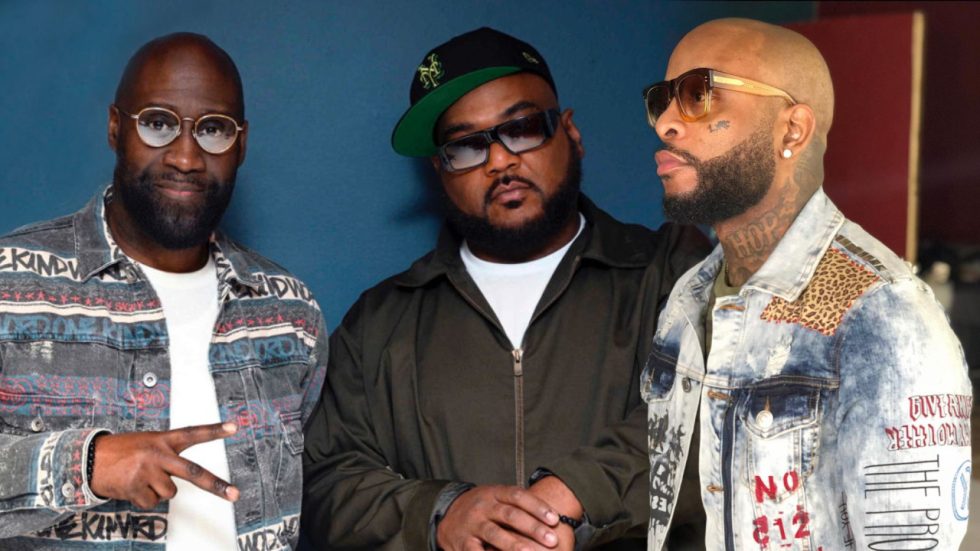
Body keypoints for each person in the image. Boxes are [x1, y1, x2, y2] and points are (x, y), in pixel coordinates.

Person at [302, 27, 709, 551]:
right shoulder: (380, 323)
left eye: (522, 129)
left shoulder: (672, 273)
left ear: (570, 133)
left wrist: (573, 495)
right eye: (466, 146)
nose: (499, 161)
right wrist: (441, 515)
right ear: (440, 170)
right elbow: (325, 481)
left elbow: (717, 414)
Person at [641, 18, 971, 549]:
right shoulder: (689, 295)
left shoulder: (882, 312)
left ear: (792, 130)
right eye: (662, 101)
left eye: (698, 94)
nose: (665, 125)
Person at [0, 33, 327, 549]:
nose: (186, 158)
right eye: (157, 123)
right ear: (115, 127)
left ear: (241, 144)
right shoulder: (12, 285)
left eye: (213, 130)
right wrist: (84, 463)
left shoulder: (289, 312)